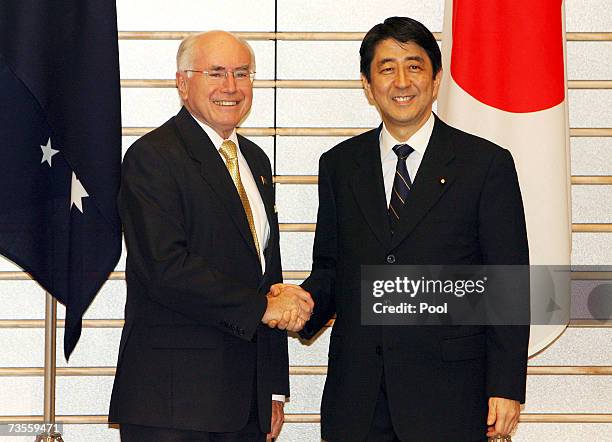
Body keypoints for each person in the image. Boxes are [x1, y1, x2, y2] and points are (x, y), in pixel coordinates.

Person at [274, 16, 529, 441]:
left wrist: (505, 387)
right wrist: (301, 305)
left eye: (414, 66)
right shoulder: (339, 165)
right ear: (368, 84)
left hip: (451, 396)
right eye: (386, 68)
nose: (401, 81)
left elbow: (508, 282)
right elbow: (333, 269)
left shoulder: (485, 165)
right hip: (357, 395)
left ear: (436, 79)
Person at [109, 31, 313, 442]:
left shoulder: (254, 160)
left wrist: (272, 387)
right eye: (216, 73)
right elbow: (166, 269)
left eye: (242, 73)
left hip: (246, 404)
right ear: (183, 83)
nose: (231, 87)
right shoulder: (153, 157)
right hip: (174, 404)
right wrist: (261, 308)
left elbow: (265, 276)